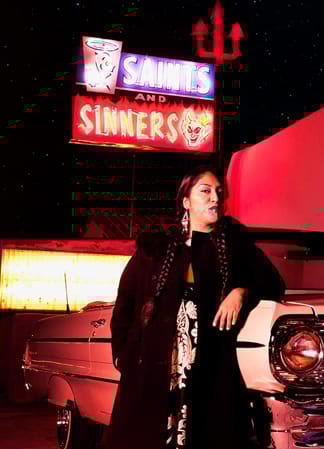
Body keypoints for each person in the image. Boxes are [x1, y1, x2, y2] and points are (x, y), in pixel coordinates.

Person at [108, 167, 284, 449]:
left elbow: (273, 282)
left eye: (219, 193)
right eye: (205, 191)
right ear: (186, 201)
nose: (215, 198)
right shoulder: (157, 246)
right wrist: (122, 354)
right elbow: (125, 302)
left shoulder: (234, 245)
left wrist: (241, 291)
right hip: (154, 364)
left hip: (210, 364)